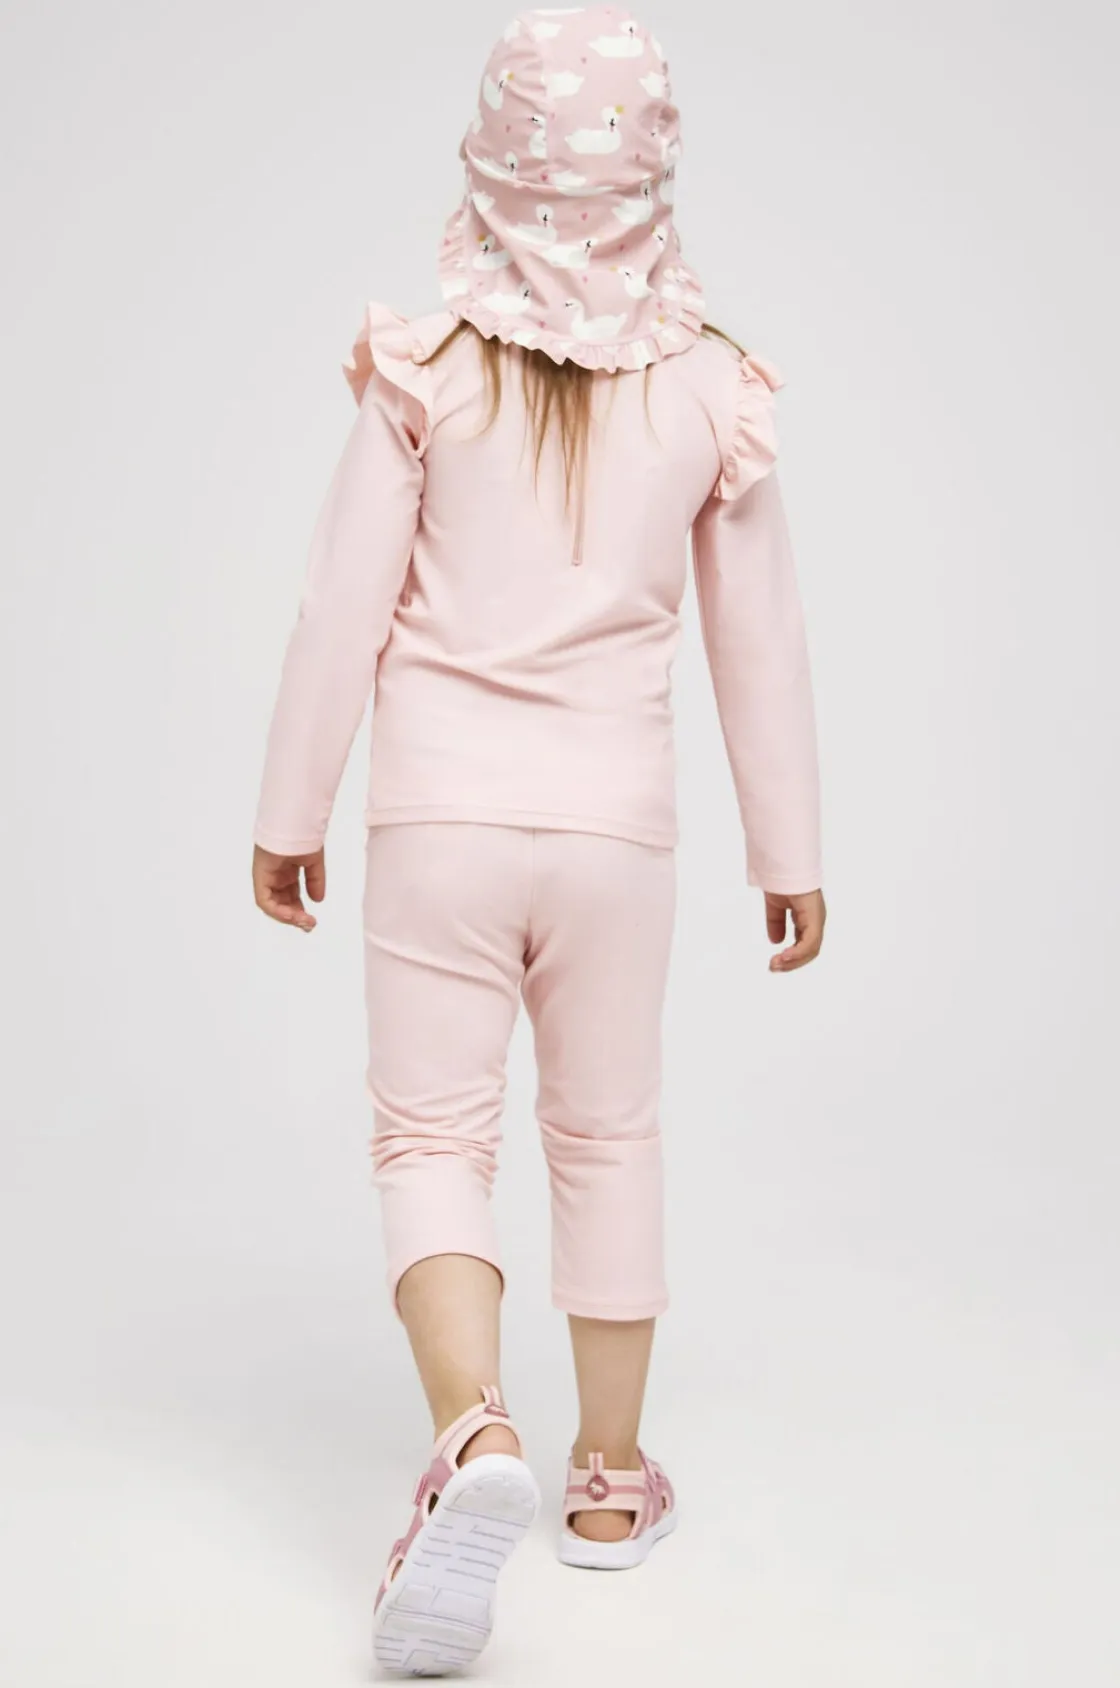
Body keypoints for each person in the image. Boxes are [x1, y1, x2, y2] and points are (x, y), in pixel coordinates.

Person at [252, 6, 825, 1675]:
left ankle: (473, 1433)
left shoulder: (425, 371)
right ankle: (607, 1483)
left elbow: (336, 610)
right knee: (607, 1135)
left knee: (432, 1135)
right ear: (653, 175)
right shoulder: (712, 386)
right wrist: (788, 850)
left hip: (437, 817)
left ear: (491, 171)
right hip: (614, 836)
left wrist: (290, 811)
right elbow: (761, 643)